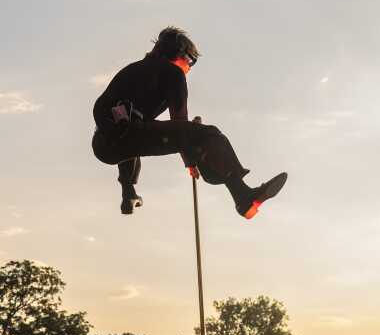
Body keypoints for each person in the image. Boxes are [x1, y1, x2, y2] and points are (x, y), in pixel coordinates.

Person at [91, 26, 287, 219]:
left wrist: (128, 187)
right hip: (124, 135)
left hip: (103, 144)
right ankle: (242, 195)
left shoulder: (132, 70)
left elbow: (124, 129)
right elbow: (179, 121)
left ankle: (128, 194)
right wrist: (190, 155)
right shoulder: (172, 73)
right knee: (209, 134)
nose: (188, 70)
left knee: (181, 135)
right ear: (182, 56)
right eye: (191, 63)